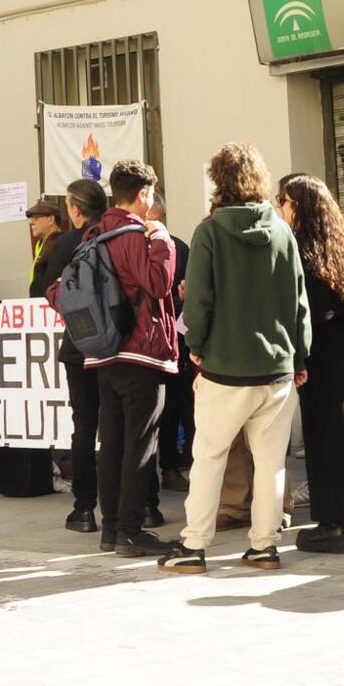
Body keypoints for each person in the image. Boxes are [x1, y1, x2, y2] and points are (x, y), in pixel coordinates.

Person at [155, 147, 304, 574]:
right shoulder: (281, 230)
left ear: (218, 180)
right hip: (277, 366)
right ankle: (264, 546)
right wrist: (301, 354)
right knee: (271, 463)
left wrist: (196, 344)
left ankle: (194, 545)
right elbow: (298, 302)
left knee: (209, 458)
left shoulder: (210, 232)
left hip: (225, 366)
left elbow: (199, 300)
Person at [52, 161, 176, 560]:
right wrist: (163, 241)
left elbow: (57, 291)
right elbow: (157, 283)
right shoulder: (137, 235)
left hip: (101, 352)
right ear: (143, 194)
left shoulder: (93, 233)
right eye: (151, 195)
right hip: (139, 352)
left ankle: (110, 530)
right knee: (139, 444)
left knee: (112, 443)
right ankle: (131, 531)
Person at [278, 174, 344, 554]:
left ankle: (333, 524)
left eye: (285, 201)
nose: (281, 208)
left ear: (300, 208)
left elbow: (309, 311)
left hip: (320, 351)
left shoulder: (301, 249)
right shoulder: (343, 244)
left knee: (326, 438)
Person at [53, 179, 109, 533]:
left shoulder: (67, 243)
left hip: (79, 343)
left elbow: (49, 289)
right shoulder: (121, 235)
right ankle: (143, 504)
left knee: (84, 426)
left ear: (75, 209)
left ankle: (85, 507)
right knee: (123, 427)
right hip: (117, 344)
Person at [151, 197, 196, 493]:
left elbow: (190, 292)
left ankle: (173, 466)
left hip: (173, 341)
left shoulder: (177, 247)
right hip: (148, 342)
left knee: (176, 406)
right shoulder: (127, 242)